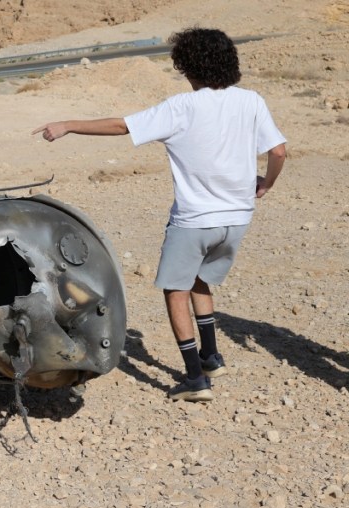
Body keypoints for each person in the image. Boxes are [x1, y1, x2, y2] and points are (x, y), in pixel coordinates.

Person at [32, 27, 287, 403]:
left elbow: (123, 126)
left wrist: (68, 124)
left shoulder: (181, 107)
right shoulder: (251, 101)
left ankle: (195, 379)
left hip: (195, 219)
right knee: (201, 280)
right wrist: (265, 183)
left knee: (176, 289)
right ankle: (212, 356)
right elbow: (279, 151)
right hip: (237, 217)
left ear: (188, 65)